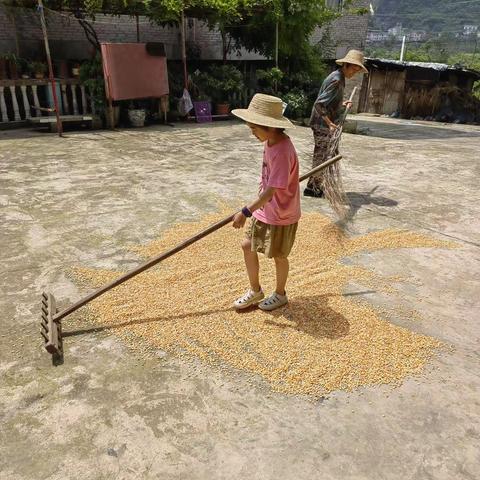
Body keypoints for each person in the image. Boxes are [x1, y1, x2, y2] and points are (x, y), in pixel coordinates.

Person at [231, 94, 301, 311]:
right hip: (266, 207)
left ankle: (280, 294)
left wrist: (245, 211)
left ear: (269, 127)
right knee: (247, 245)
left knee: (279, 255)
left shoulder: (282, 150)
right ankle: (255, 291)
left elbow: (271, 191)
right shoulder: (270, 142)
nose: (252, 133)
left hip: (281, 212)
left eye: (254, 129)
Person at [304, 49, 368, 199]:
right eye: (353, 68)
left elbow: (329, 101)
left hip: (324, 123)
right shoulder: (337, 79)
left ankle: (315, 186)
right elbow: (319, 104)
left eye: (357, 70)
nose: (354, 73)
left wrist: (342, 104)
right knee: (322, 156)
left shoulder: (339, 77)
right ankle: (312, 188)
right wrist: (330, 124)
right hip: (322, 124)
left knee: (324, 155)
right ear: (346, 65)